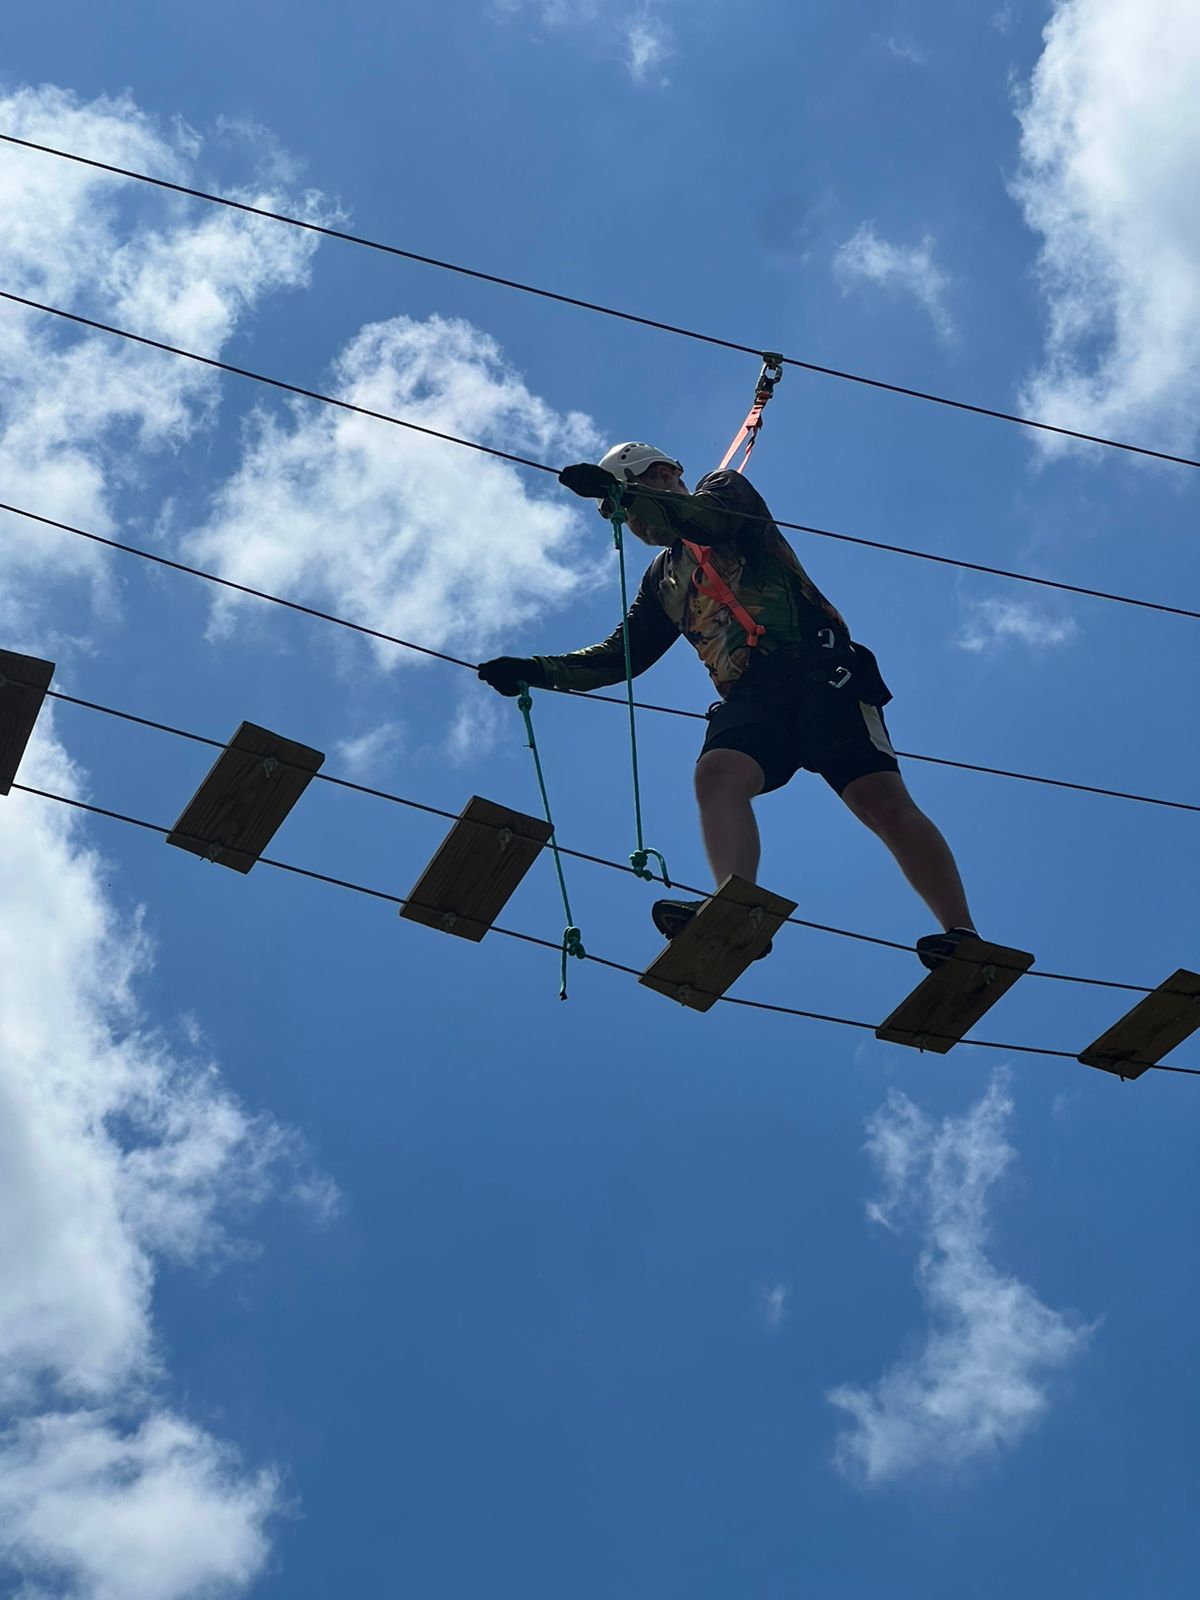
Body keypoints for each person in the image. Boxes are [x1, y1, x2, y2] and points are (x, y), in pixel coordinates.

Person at [478, 442, 978, 970]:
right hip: (753, 694)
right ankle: (735, 904)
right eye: (619, 516)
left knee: (880, 801)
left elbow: (709, 522)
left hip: (819, 669)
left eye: (627, 505)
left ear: (664, 474)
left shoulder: (724, 492)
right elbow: (622, 656)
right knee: (717, 774)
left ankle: (961, 931)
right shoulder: (663, 580)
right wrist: (537, 670)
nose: (632, 524)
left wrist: (625, 495)